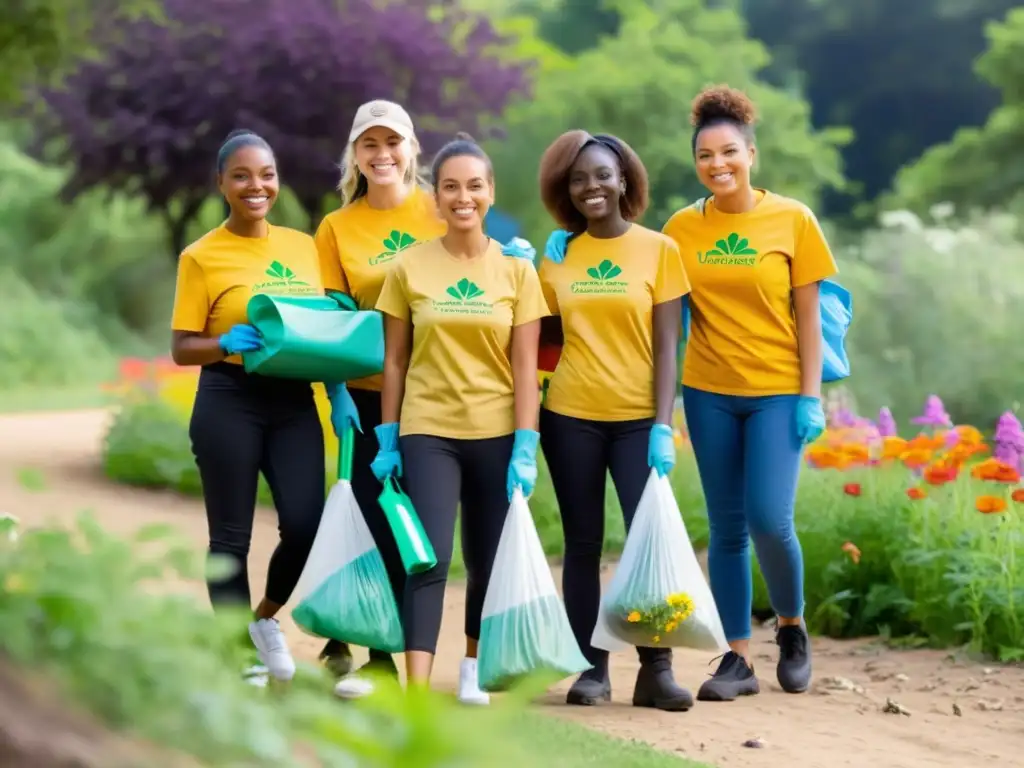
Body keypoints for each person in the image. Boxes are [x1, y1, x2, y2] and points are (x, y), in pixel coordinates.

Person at [315, 100, 536, 699]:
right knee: (394, 534)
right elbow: (336, 322)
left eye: (393, 143)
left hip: (449, 396)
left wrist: (519, 256)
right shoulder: (337, 228)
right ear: (355, 155)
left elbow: (479, 260)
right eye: (370, 144)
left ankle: (460, 664)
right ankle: (382, 661)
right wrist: (338, 394)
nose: (382, 154)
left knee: (444, 543)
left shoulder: (438, 204)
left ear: (413, 149)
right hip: (379, 403)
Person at [661, 85, 834, 702]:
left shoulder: (792, 219)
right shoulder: (680, 228)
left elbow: (809, 316)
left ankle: (791, 626)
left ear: (751, 153)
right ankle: (737, 658)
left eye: (728, 152)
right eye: (705, 156)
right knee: (726, 528)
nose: (717, 165)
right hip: (708, 391)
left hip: (778, 392)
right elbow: (653, 303)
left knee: (769, 519)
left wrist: (810, 396)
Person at [372, 132, 549, 705]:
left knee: (487, 559)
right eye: (451, 186)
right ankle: (417, 689)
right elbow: (394, 360)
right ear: (435, 197)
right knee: (427, 557)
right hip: (429, 430)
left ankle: (472, 662)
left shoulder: (518, 274)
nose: (463, 197)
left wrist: (527, 442)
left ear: (491, 193)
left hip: (497, 433)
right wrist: (388, 437)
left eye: (474, 186)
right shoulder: (408, 268)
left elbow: (526, 368)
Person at [536, 131, 694, 711]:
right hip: (571, 416)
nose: (591, 187)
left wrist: (661, 423)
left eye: (602, 175)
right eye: (578, 180)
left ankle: (656, 668)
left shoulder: (659, 250)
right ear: (566, 191)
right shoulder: (556, 256)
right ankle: (590, 669)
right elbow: (540, 339)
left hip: (637, 424)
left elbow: (668, 344)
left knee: (646, 540)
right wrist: (516, 267)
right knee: (582, 545)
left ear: (625, 179)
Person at [170, 129, 326, 684]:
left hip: (293, 400)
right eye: (241, 175)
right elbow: (181, 346)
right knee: (230, 538)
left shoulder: (303, 246)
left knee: (307, 523)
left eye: (265, 175)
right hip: (228, 398)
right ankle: (238, 651)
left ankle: (263, 621)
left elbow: (321, 327)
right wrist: (224, 343)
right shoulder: (201, 256)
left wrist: (337, 391)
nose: (255, 186)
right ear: (221, 184)